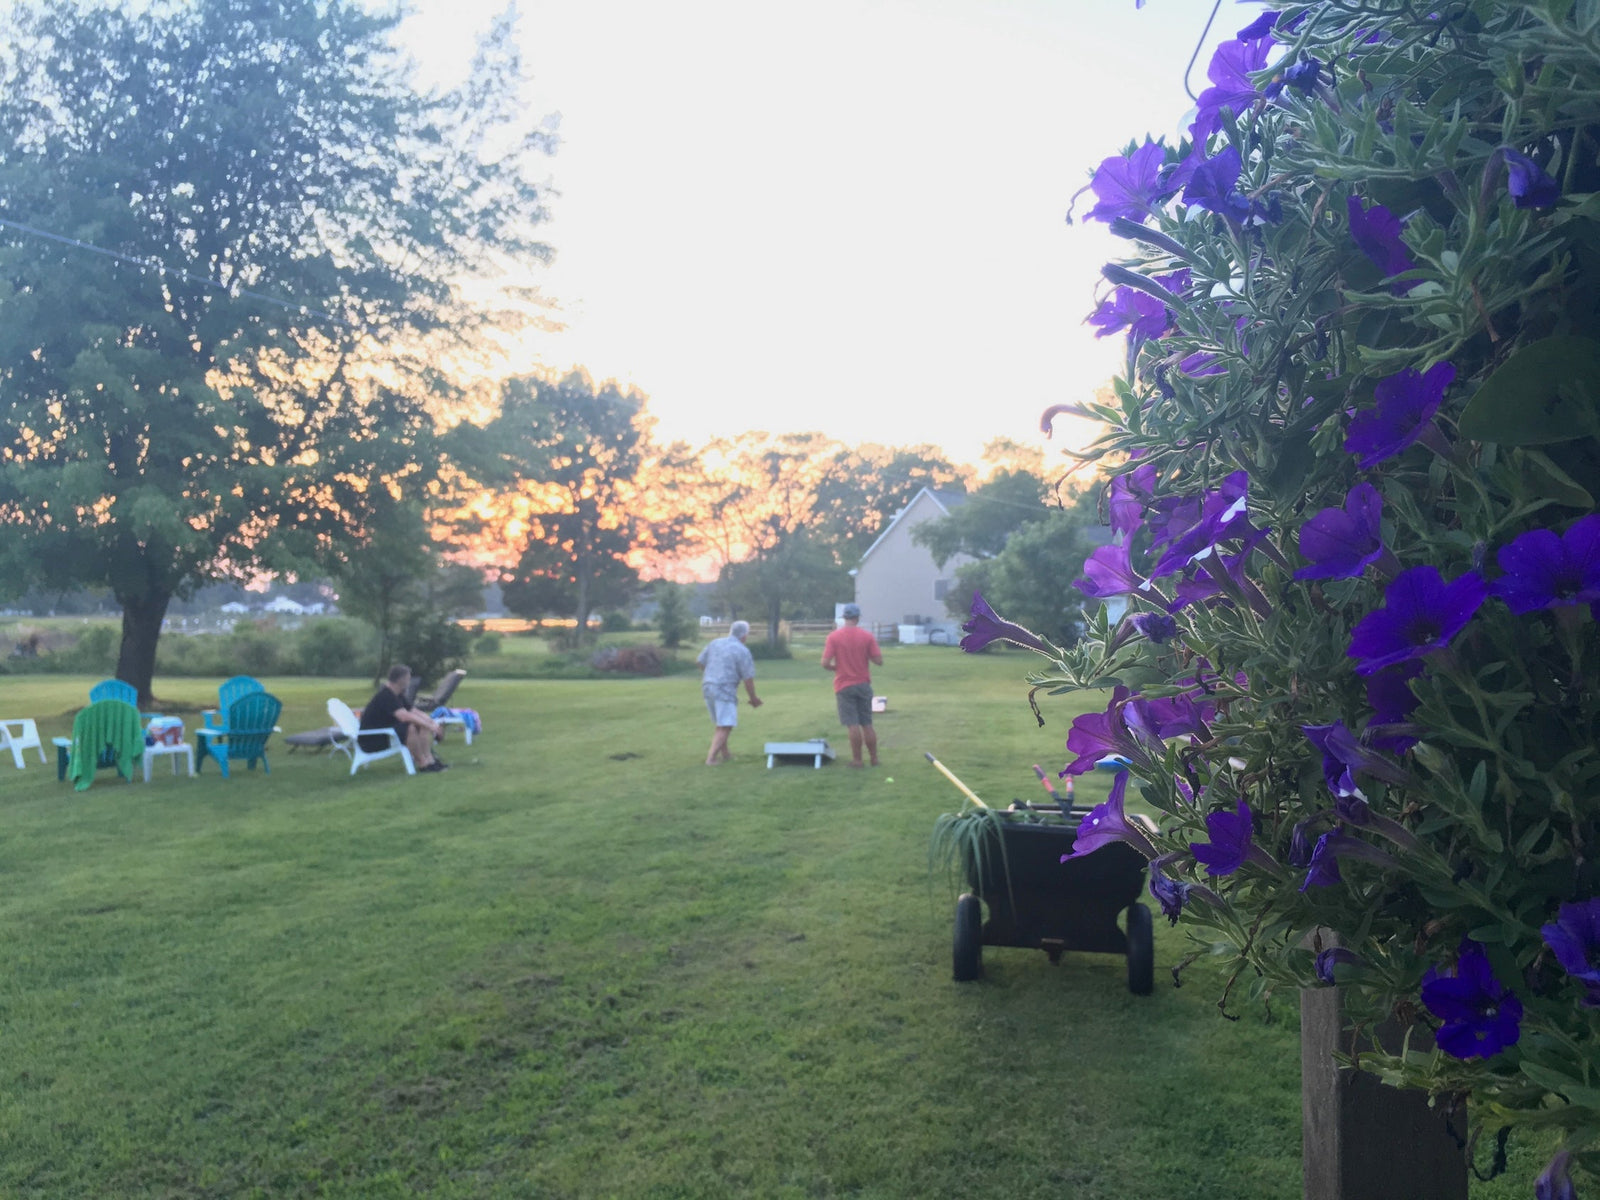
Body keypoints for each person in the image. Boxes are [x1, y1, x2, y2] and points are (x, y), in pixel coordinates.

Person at [822, 603, 883, 767]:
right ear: (857, 618)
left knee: (852, 724)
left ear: (844, 618)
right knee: (867, 723)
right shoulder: (867, 636)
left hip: (844, 685)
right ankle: (874, 759)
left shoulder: (833, 637)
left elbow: (825, 663)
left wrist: (836, 668)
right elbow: (878, 661)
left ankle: (857, 760)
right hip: (863, 683)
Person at [360, 663, 447, 773]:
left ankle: (430, 761)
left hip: (388, 732)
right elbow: (404, 716)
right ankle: (422, 764)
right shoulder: (386, 695)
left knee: (420, 725)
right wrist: (430, 726)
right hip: (372, 739)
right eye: (408, 679)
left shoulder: (397, 694)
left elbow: (414, 711)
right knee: (410, 727)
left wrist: (431, 722)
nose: (409, 682)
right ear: (401, 680)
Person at [697, 619, 761, 765]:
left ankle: (725, 754)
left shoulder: (715, 643)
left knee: (721, 723)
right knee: (726, 724)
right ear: (744, 635)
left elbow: (700, 661)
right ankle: (711, 758)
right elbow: (748, 679)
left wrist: (711, 673)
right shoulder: (742, 651)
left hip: (707, 686)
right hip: (724, 689)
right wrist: (753, 698)